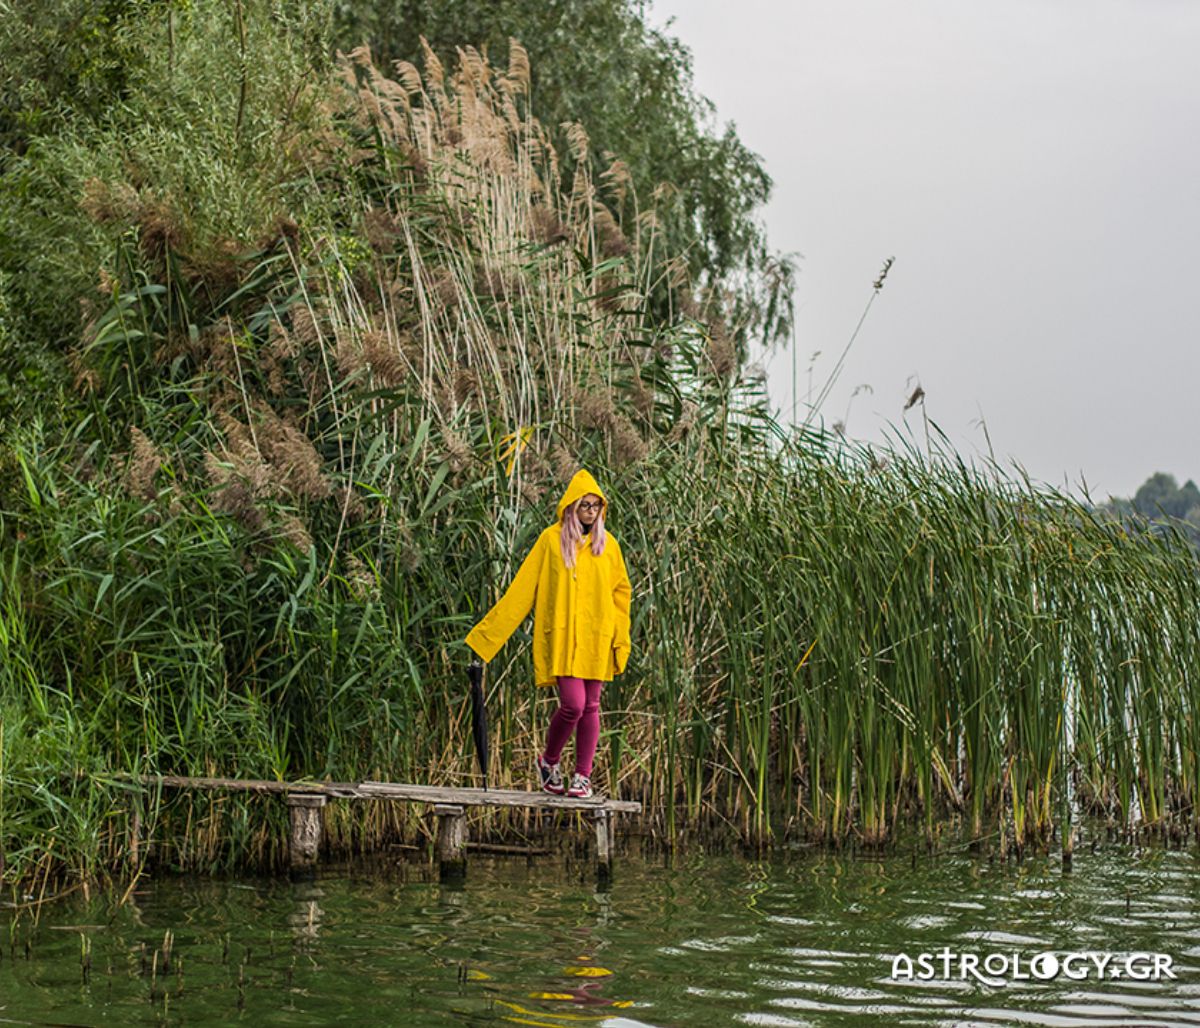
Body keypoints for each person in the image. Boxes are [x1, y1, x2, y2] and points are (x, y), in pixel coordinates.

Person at [464, 468, 632, 798]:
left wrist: (620, 640)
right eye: (584, 504)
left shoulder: (607, 546)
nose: (590, 511)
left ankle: (582, 775)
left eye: (595, 505)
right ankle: (549, 761)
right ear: (571, 506)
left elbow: (621, 596)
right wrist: (486, 640)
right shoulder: (550, 542)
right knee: (573, 704)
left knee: (592, 706)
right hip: (565, 641)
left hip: (597, 638)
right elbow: (521, 592)